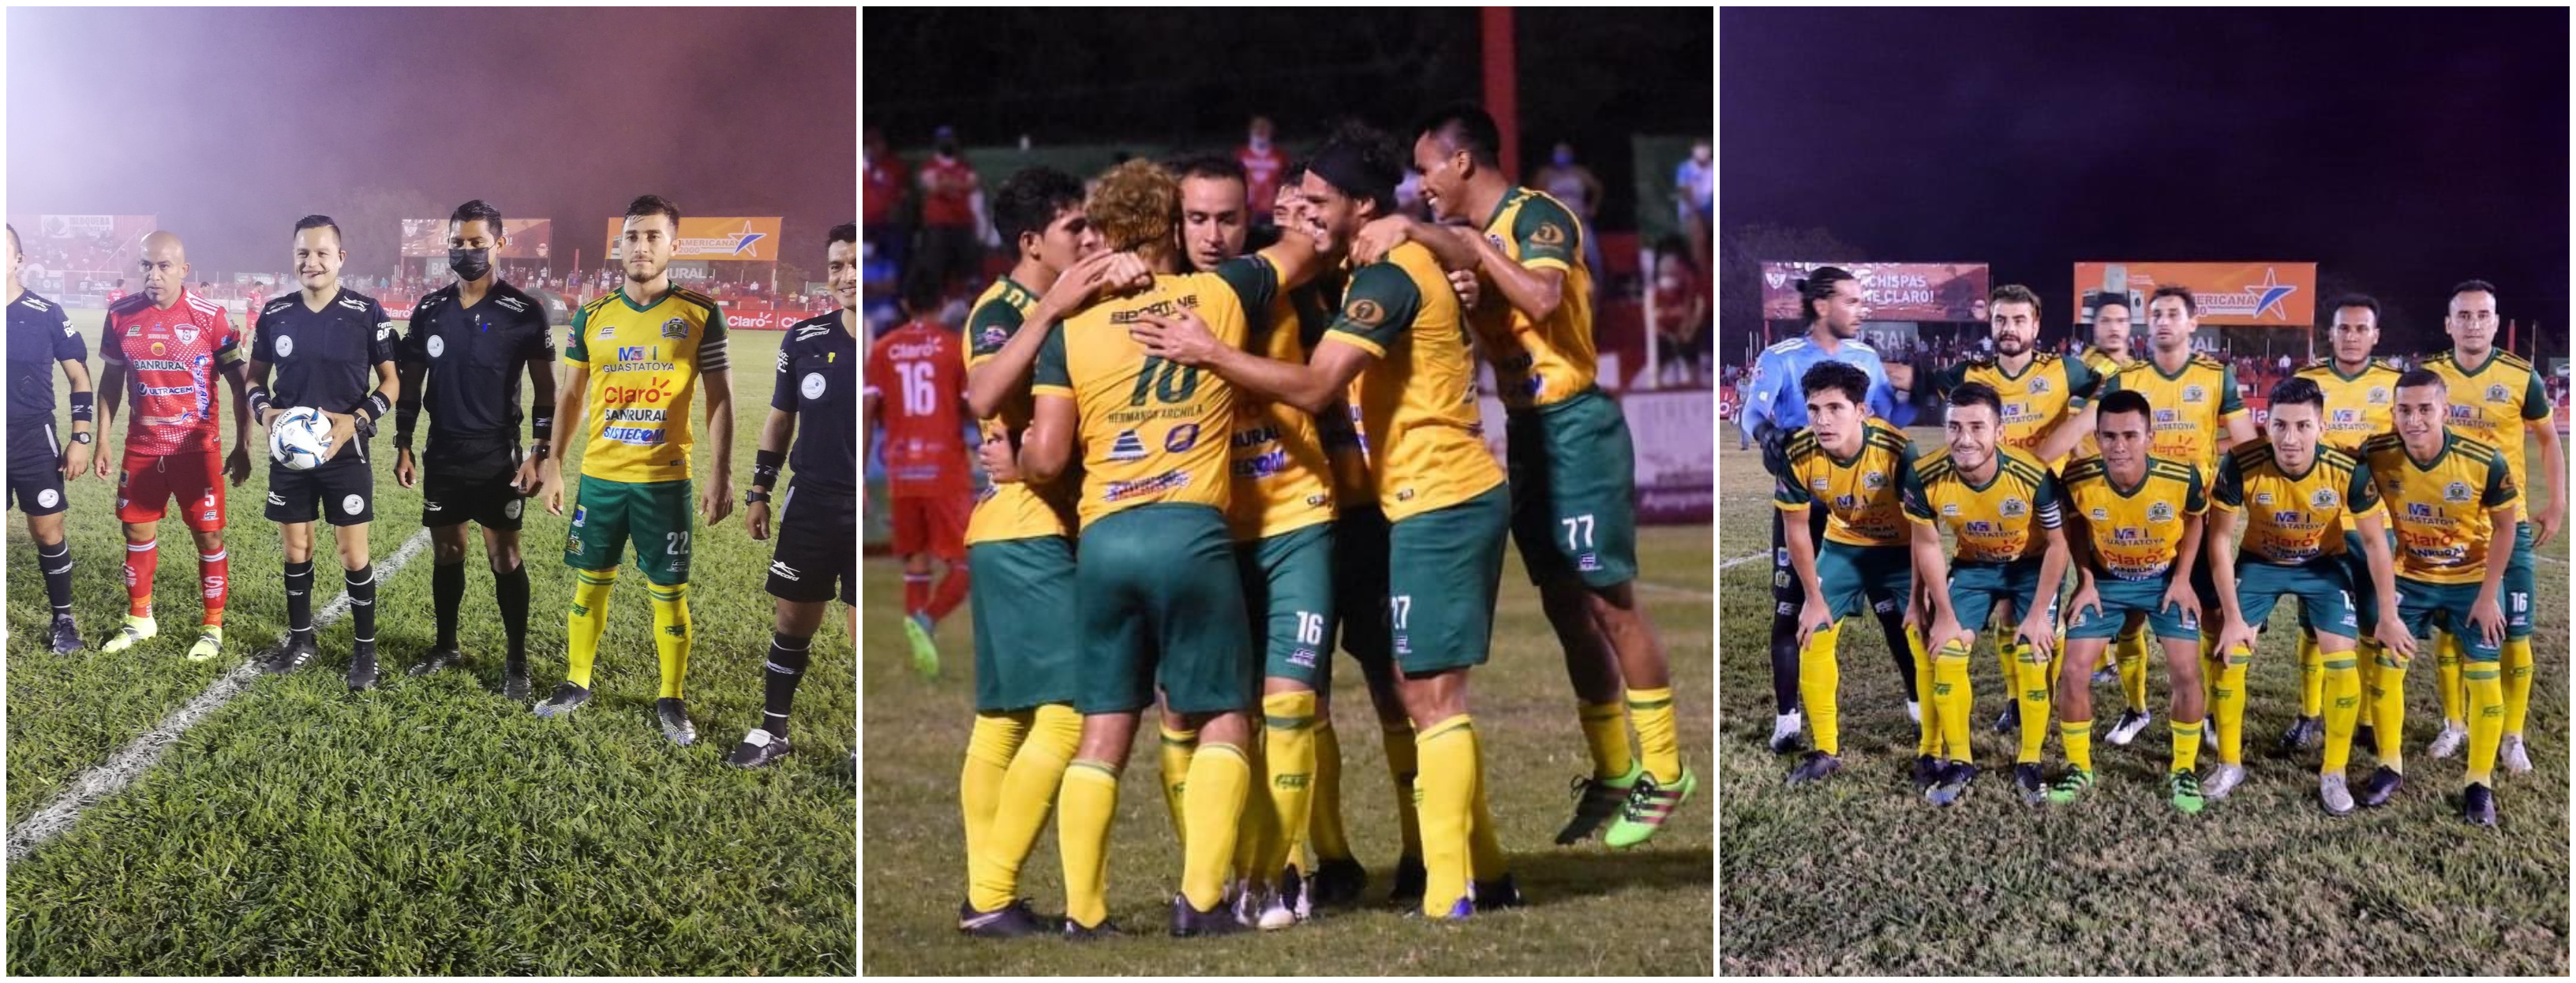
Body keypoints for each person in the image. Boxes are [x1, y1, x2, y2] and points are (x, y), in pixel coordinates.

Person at [1132, 123, 1508, 920]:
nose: (1298, 213)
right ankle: (1317, 858)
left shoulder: (1353, 269)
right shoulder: (1276, 269)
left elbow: (1321, 377)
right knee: (1286, 699)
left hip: (1371, 506)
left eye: (1314, 201)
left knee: (1405, 685)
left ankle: (1440, 859)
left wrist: (1426, 240)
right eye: (1293, 201)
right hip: (1252, 514)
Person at [1357, 103, 1693, 849]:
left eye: (1426, 170)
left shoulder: (1539, 218)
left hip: (1577, 426)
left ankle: (1665, 771)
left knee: (1611, 604)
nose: (1421, 187)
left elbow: (1542, 297)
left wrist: (1473, 254)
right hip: (1529, 431)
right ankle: (1611, 773)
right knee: (1565, 609)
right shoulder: (1472, 243)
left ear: (1463, 162)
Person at [1022, 157, 1327, 936]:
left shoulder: (1072, 328)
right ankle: (1201, 902)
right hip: (1191, 534)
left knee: (1103, 730)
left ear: (1107, 234)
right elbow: (1302, 251)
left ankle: (1082, 913)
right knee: (1225, 714)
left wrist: (1020, 454)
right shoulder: (1220, 296)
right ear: (1173, 227)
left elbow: (1049, 458)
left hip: (1104, 539)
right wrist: (1302, 209)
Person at [947, 166, 1125, 939]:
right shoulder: (1006, 307)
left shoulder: (1058, 303)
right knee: (1066, 713)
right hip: (1027, 529)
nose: (1086, 239)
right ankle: (992, 893)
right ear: (1030, 242)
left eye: (1090, 225)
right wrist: (1053, 309)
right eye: (1072, 229)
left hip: (1018, 528)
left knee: (1004, 721)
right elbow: (984, 386)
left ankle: (985, 893)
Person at [539, 195, 736, 746]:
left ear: (674, 244)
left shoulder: (699, 312)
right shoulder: (592, 316)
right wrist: (554, 464)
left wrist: (721, 473)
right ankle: (577, 682)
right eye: (631, 236)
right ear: (619, 245)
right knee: (588, 585)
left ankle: (671, 697)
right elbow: (572, 395)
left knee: (669, 592)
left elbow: (720, 399)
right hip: (601, 478)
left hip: (665, 481)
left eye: (652, 236)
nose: (640, 246)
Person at [2199, 377, 2405, 811]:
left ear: (2321, 426)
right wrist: (2233, 617)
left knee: (2343, 668)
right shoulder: (2240, 462)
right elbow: (2218, 542)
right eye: (2280, 425)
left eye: (2302, 426)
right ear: (2265, 423)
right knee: (2229, 655)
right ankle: (2230, 763)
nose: (2290, 438)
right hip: (2260, 565)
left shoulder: (2347, 469)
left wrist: (2387, 614)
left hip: (2323, 568)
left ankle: (2334, 772)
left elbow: (2373, 544)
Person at [1739, 266, 1917, 755]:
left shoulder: (1866, 358)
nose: (1862, 310)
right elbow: (1751, 411)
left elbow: (1884, 418)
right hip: (1802, 498)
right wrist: (1766, 434)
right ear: (1822, 306)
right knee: (1791, 611)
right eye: (1852, 301)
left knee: (1893, 611)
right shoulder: (1782, 358)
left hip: (1861, 506)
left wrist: (1913, 395)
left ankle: (1920, 708)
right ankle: (1788, 720)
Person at [391, 200, 557, 697]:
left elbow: (547, 392)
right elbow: (411, 383)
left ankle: (517, 660)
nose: (466, 251)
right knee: (447, 551)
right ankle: (445, 646)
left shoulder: (524, 311)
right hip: (443, 453)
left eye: (477, 243)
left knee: (504, 557)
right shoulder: (429, 310)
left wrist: (539, 452)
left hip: (497, 456)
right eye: (458, 243)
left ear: (499, 244)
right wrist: (404, 445)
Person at [1923, 285, 2099, 740]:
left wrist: (2068, 435)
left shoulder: (2065, 370)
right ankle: (2016, 702)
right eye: (2001, 320)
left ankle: (2045, 694)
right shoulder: (1970, 374)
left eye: (2020, 320)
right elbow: (1930, 387)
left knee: (2041, 621)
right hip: (1988, 507)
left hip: (2044, 511)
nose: (2010, 329)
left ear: (2036, 326)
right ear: (1992, 324)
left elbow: (2113, 391)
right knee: (2005, 619)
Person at [243, 215, 401, 686]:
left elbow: (392, 382)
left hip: (346, 450)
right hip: (289, 452)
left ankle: (365, 653)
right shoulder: (275, 314)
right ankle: (301, 639)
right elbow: (254, 379)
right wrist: (265, 412)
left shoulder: (366, 312)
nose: (311, 262)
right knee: (296, 547)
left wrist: (357, 419)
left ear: (340, 259)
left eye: (321, 253)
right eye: (302, 254)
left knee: (352, 553)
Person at [2357, 369, 2515, 823]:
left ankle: (2479, 783)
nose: (2415, 419)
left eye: (2426, 409)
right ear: (2394, 413)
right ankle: (2389, 766)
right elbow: (2372, 539)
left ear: (2445, 411)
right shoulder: (2377, 454)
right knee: (2387, 668)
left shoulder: (2484, 460)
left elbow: (2506, 528)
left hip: (2472, 582)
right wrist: (2387, 611)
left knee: (2484, 679)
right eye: (2405, 410)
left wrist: (2488, 597)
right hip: (2411, 578)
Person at [732, 222, 862, 768]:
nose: (847, 275)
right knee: (792, 623)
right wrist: (759, 490)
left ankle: (866, 744)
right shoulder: (805, 338)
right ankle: (773, 732)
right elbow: (781, 420)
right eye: (837, 266)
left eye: (857, 263)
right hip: (811, 504)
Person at [1903, 382, 2069, 805]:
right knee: (1947, 652)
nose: (1965, 439)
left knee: (2034, 653)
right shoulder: (1924, 475)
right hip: (1974, 567)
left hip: (2030, 567)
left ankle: (2029, 761)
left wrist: (2035, 616)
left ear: (1999, 429)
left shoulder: (2032, 474)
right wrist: (1938, 609)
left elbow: (2058, 545)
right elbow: (1925, 544)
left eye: (1978, 427)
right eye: (1955, 427)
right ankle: (1960, 761)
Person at [2050, 389, 2215, 813]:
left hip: (2164, 580)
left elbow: (2196, 519)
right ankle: (2078, 767)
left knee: (2185, 670)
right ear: (2097, 438)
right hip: (2106, 582)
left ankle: (2183, 769)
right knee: (2072, 670)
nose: (2118, 446)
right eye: (2108, 436)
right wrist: (2085, 580)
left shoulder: (2181, 477)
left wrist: (2182, 579)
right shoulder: (2078, 477)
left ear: (2150, 436)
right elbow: (2075, 530)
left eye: (2129, 435)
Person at [93, 231, 254, 660]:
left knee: (209, 535)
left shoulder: (211, 317)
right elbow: (110, 382)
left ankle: (212, 626)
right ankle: (140, 617)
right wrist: (103, 439)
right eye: (146, 265)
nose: (154, 275)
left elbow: (241, 386)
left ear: (184, 270)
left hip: (196, 449)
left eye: (164, 266)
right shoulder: (120, 316)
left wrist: (244, 445)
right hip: (142, 447)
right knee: (136, 529)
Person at [2419, 279, 2559, 772]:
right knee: (2452, 634)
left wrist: (2558, 502)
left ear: (2495, 322)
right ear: (2448, 323)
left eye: (2483, 315)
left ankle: (2512, 735)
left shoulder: (2522, 377)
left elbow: (2547, 439)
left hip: (2509, 523)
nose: (2473, 323)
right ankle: (2454, 724)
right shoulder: (2429, 375)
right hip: (2447, 525)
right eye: (2464, 315)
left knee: (2515, 633)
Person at [1773, 361, 1918, 787]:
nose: (1823, 420)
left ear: (1862, 410)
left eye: (1835, 408)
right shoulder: (1799, 453)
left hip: (1900, 551)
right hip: (1842, 547)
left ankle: (1935, 739)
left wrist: (1924, 592)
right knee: (1813, 632)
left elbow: (1925, 530)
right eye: (1814, 409)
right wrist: (1814, 599)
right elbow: (1796, 531)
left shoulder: (1897, 450)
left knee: (1925, 638)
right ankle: (1826, 750)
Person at [2279, 296, 2402, 754]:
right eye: (2343, 328)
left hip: (2376, 522)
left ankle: (2367, 719)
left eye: (2361, 328)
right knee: (2313, 627)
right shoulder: (2306, 381)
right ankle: (2309, 715)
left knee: (2372, 625)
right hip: (2320, 526)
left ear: (2376, 334)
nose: (2352, 336)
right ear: (2330, 333)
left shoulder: (2394, 384)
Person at [867, 272, 972, 671]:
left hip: (901, 469)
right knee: (965, 563)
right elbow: (973, 406)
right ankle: (926, 621)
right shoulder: (953, 347)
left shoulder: (885, 349)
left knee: (916, 559)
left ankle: (919, 644)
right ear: (943, 302)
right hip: (944, 468)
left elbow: (868, 412)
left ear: (906, 304)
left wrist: (860, 474)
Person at [6, 222, 95, 653]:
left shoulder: (46, 312)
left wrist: (81, 436)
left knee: (47, 531)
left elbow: (79, 376)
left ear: (18, 258)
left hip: (31, 440)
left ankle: (63, 620)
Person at [915, 125, 983, 297]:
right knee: (936, 270)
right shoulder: (930, 166)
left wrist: (946, 183)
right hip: (937, 226)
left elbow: (973, 184)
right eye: (943, 140)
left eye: (949, 139)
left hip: (963, 224)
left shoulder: (965, 166)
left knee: (969, 272)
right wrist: (957, 185)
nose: (947, 143)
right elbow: (932, 187)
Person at [1237, 116, 1288, 228]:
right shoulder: (1241, 155)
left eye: (1264, 129)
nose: (1260, 132)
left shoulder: (1280, 157)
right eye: (1257, 128)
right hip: (1248, 210)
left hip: (1272, 209)